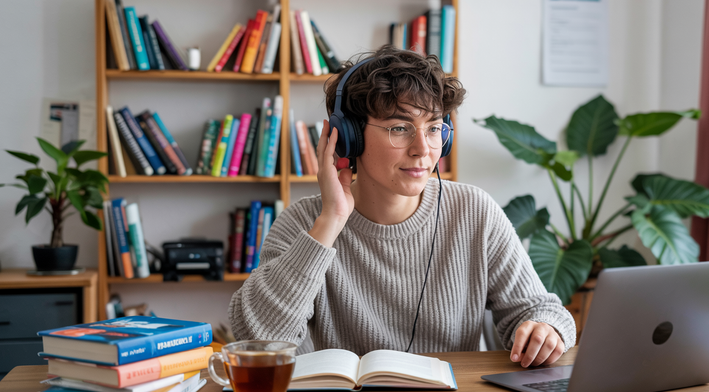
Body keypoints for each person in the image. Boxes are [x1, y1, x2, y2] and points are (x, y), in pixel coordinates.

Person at [228, 45, 576, 368]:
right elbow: (258, 342)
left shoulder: (473, 211)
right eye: (400, 128)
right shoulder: (305, 222)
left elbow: (540, 309)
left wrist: (545, 329)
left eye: (434, 128)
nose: (423, 149)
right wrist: (330, 221)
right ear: (348, 137)